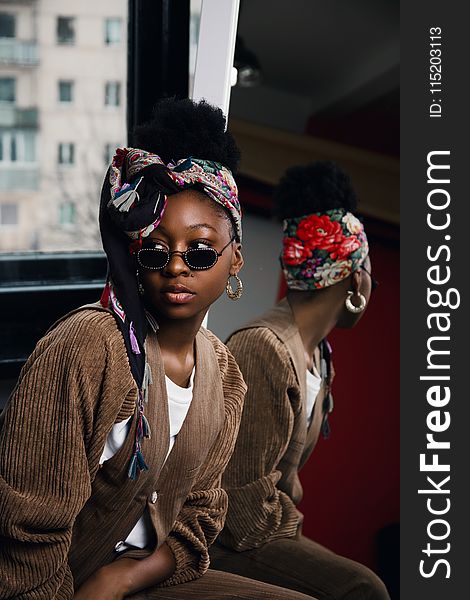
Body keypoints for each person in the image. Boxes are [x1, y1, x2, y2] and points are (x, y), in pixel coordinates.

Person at [0, 99, 314, 600]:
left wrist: (122, 577)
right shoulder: (86, 348)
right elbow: (25, 530)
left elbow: (200, 517)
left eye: (201, 250)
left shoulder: (225, 375)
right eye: (154, 250)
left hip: (140, 576)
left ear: (235, 259)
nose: (176, 268)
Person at [210, 161, 390, 599]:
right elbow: (241, 506)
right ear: (354, 277)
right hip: (225, 537)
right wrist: (295, 522)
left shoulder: (316, 359)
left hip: (265, 526)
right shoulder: (264, 348)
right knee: (362, 589)